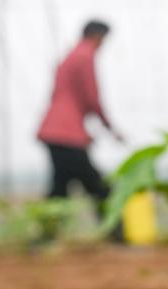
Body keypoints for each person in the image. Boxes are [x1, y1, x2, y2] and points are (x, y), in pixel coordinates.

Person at [37, 20, 124, 233]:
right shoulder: (85, 56)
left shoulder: (70, 56)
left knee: (60, 187)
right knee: (98, 186)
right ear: (96, 36)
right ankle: (116, 232)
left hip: (55, 130)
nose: (103, 45)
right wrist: (110, 128)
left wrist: (82, 130)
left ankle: (47, 235)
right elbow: (91, 97)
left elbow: (68, 97)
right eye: (103, 39)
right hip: (66, 134)